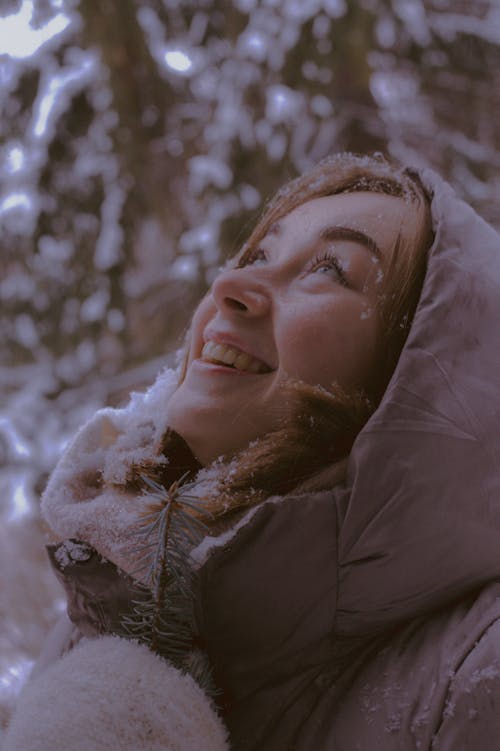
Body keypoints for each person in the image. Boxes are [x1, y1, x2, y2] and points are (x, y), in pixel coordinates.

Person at [3, 153, 500, 751]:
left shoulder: (478, 675)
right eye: (259, 255)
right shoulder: (118, 595)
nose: (229, 285)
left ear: (416, 383)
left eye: (330, 269)